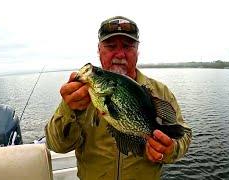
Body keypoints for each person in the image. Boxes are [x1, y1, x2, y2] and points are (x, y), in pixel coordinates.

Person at [45, 16, 192, 179]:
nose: (120, 54)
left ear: (137, 51)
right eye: (110, 46)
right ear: (99, 50)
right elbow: (56, 145)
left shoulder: (160, 91)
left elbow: (184, 134)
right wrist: (69, 109)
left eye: (128, 46)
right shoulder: (79, 94)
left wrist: (170, 149)